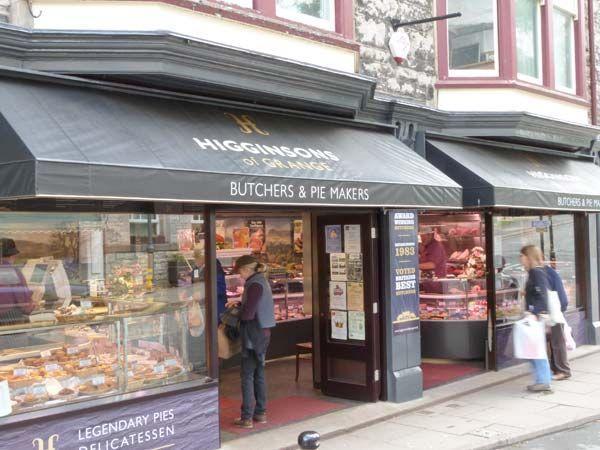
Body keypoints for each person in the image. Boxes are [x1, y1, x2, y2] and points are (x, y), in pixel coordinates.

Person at [231, 255, 275, 429]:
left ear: (246, 269)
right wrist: (239, 305)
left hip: (253, 335)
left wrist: (237, 312)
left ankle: (247, 417)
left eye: (240, 271)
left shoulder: (254, 284)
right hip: (262, 333)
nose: (240, 275)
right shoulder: (260, 281)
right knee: (259, 373)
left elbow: (248, 314)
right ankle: (260, 413)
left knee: (247, 375)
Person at [520, 245, 552, 392]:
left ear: (529, 257)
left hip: (536, 317)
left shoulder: (536, 272)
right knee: (533, 349)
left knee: (535, 350)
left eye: (522, 256)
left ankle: (544, 380)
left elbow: (542, 295)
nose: (521, 259)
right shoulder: (534, 272)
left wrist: (534, 312)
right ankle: (543, 378)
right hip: (534, 316)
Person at [0, 238, 37, 325]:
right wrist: (33, 304)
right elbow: (23, 300)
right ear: (13, 255)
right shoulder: (11, 271)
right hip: (9, 317)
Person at [544, 263, 571, 380]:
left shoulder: (547, 273)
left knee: (557, 341)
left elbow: (560, 295)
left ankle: (563, 370)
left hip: (554, 311)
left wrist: (560, 310)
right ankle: (556, 368)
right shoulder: (546, 272)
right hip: (552, 311)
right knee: (554, 341)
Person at [191, 249, 227, 321]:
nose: (195, 260)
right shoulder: (196, 268)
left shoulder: (215, 267)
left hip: (215, 305)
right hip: (202, 305)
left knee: (214, 327)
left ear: (204, 257)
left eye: (197, 258)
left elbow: (220, 288)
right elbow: (195, 280)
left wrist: (202, 293)